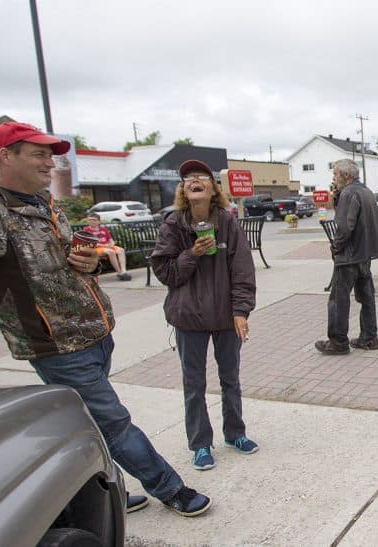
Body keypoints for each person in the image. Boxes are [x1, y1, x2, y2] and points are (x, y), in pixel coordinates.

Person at [0, 121, 212, 518]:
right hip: (58, 346)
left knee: (94, 425)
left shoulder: (43, 204)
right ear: (6, 156)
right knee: (115, 423)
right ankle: (171, 489)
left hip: (94, 335)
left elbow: (66, 267)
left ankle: (111, 494)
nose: (50, 163)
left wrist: (89, 264)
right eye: (39, 154)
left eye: (51, 156)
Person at [150, 160, 258, 471]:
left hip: (226, 317)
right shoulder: (172, 225)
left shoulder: (227, 222)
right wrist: (192, 254)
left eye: (202, 177)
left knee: (230, 379)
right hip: (189, 318)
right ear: (184, 190)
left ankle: (235, 433)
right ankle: (200, 444)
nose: (195, 181)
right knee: (194, 383)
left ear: (212, 188)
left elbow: (242, 270)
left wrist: (241, 311)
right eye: (188, 179)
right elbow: (166, 273)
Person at [315, 159, 378, 355]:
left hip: (350, 255)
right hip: (364, 254)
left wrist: (336, 247)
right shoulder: (365, 191)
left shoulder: (349, 193)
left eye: (335, 174)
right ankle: (369, 338)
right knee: (366, 296)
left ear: (346, 175)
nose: (333, 178)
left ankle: (338, 342)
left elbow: (345, 227)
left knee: (338, 299)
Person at [84, 212, 132, 280]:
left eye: (94, 220)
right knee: (111, 252)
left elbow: (110, 240)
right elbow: (91, 243)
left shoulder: (103, 229)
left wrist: (111, 244)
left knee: (121, 250)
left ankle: (123, 271)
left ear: (99, 221)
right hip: (95, 248)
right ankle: (119, 273)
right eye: (90, 220)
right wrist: (106, 245)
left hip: (107, 247)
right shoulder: (86, 230)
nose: (92, 221)